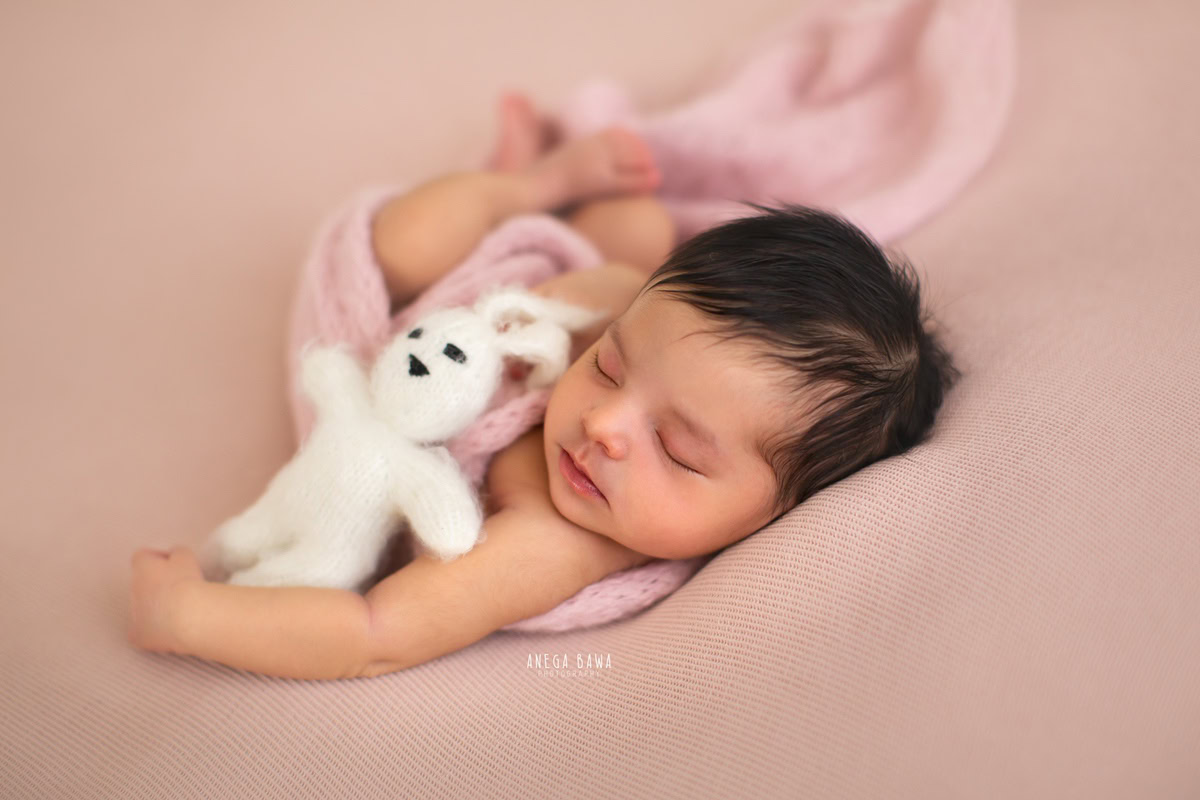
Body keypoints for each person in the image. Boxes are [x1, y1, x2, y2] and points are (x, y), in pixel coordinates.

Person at [127, 92, 960, 680]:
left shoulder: (557, 542)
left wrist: (191, 617)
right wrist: (589, 302)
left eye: (675, 449)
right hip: (501, 306)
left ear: (775, 515)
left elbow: (377, 632)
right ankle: (533, 189)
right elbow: (602, 296)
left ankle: (526, 184)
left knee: (412, 243)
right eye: (611, 366)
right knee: (627, 231)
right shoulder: (643, 335)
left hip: (399, 378)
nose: (606, 424)